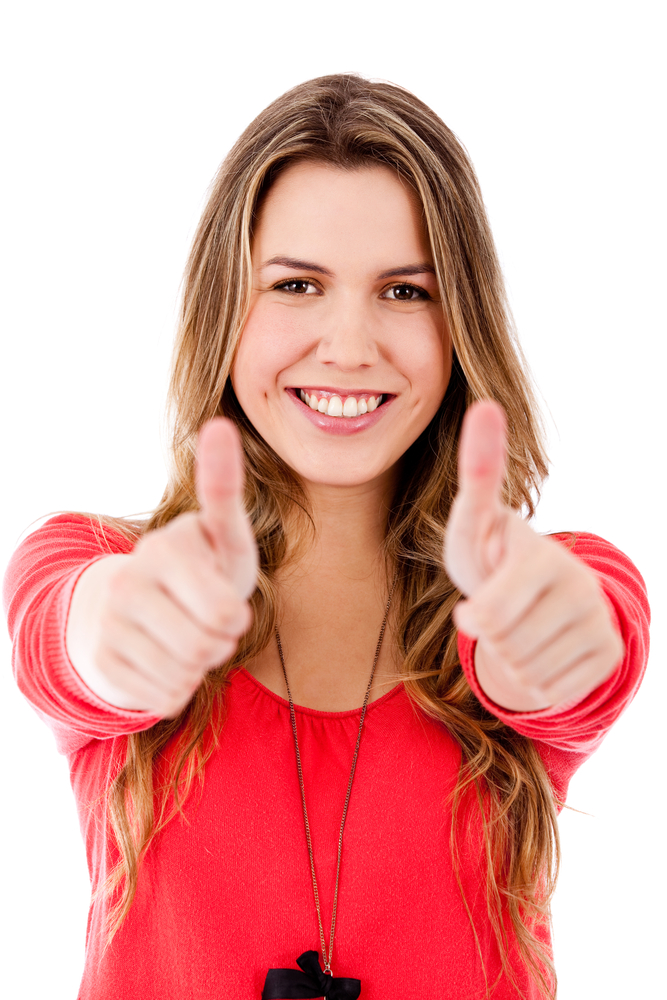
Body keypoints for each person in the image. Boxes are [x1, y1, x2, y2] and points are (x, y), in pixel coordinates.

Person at [3, 74, 649, 1000]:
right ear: (224, 309)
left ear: (459, 320)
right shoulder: (93, 566)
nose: (348, 345)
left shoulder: (539, 584)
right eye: (296, 285)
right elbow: (62, 637)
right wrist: (117, 629)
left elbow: (592, 648)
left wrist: (548, 648)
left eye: (403, 290)